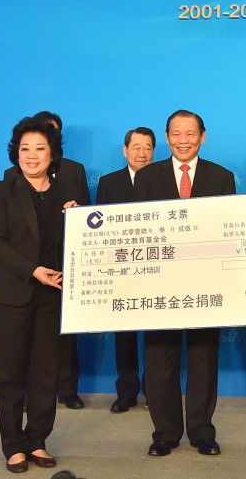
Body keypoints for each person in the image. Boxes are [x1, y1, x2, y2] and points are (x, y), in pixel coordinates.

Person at [133, 110, 236, 458]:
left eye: (190, 134)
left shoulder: (222, 177)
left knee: (204, 358)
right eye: (176, 134)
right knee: (160, 359)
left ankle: (202, 432)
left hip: (207, 284)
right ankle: (164, 433)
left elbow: (228, 229)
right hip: (159, 285)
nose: (183, 140)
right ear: (166, 136)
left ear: (202, 137)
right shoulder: (147, 178)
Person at [0, 117, 65, 473]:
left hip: (53, 295)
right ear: (15, 153)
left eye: (40, 148)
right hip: (11, 294)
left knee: (46, 373)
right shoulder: (1, 190)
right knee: (10, 373)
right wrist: (33, 270)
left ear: (53, 153)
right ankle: (13, 446)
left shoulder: (64, 193)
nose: (32, 156)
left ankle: (37, 441)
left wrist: (77, 223)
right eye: (25, 148)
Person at [29, 111, 91, 411]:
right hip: (31, 266)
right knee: (30, 335)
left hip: (69, 262)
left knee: (66, 330)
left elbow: (90, 217)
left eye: (51, 133)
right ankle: (31, 393)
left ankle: (68, 389)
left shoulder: (75, 171)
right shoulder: (16, 173)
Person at [95, 126, 156, 413]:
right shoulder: (108, 183)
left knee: (158, 335)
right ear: (125, 150)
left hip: (159, 266)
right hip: (121, 268)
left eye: (147, 147)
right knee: (125, 335)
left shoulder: (164, 179)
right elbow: (99, 228)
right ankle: (127, 391)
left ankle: (155, 392)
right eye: (136, 147)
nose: (141, 153)